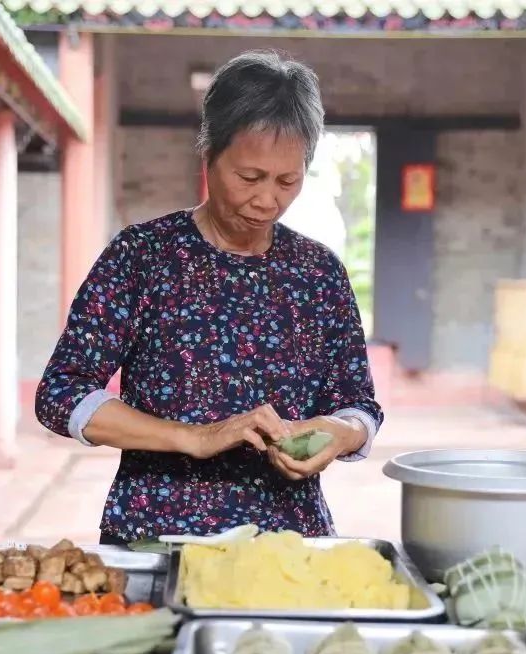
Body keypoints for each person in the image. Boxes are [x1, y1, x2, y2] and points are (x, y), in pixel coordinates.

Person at [35, 49, 383, 544]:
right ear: (208, 154)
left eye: (288, 181)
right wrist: (193, 437)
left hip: (287, 546)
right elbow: (60, 394)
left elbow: (359, 406)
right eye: (249, 177)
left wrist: (336, 433)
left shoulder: (318, 272)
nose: (268, 201)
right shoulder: (144, 256)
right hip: (158, 538)